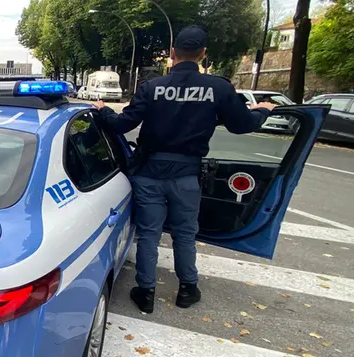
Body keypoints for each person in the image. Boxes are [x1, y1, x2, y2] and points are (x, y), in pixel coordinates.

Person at [95, 25, 276, 314]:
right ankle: (187, 290)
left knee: (149, 234)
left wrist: (103, 109)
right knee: (184, 233)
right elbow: (242, 125)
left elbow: (120, 124)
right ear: (203, 54)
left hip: (149, 173)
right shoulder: (218, 88)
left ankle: (146, 293)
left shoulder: (152, 87)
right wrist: (263, 110)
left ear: (172, 54)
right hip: (186, 176)